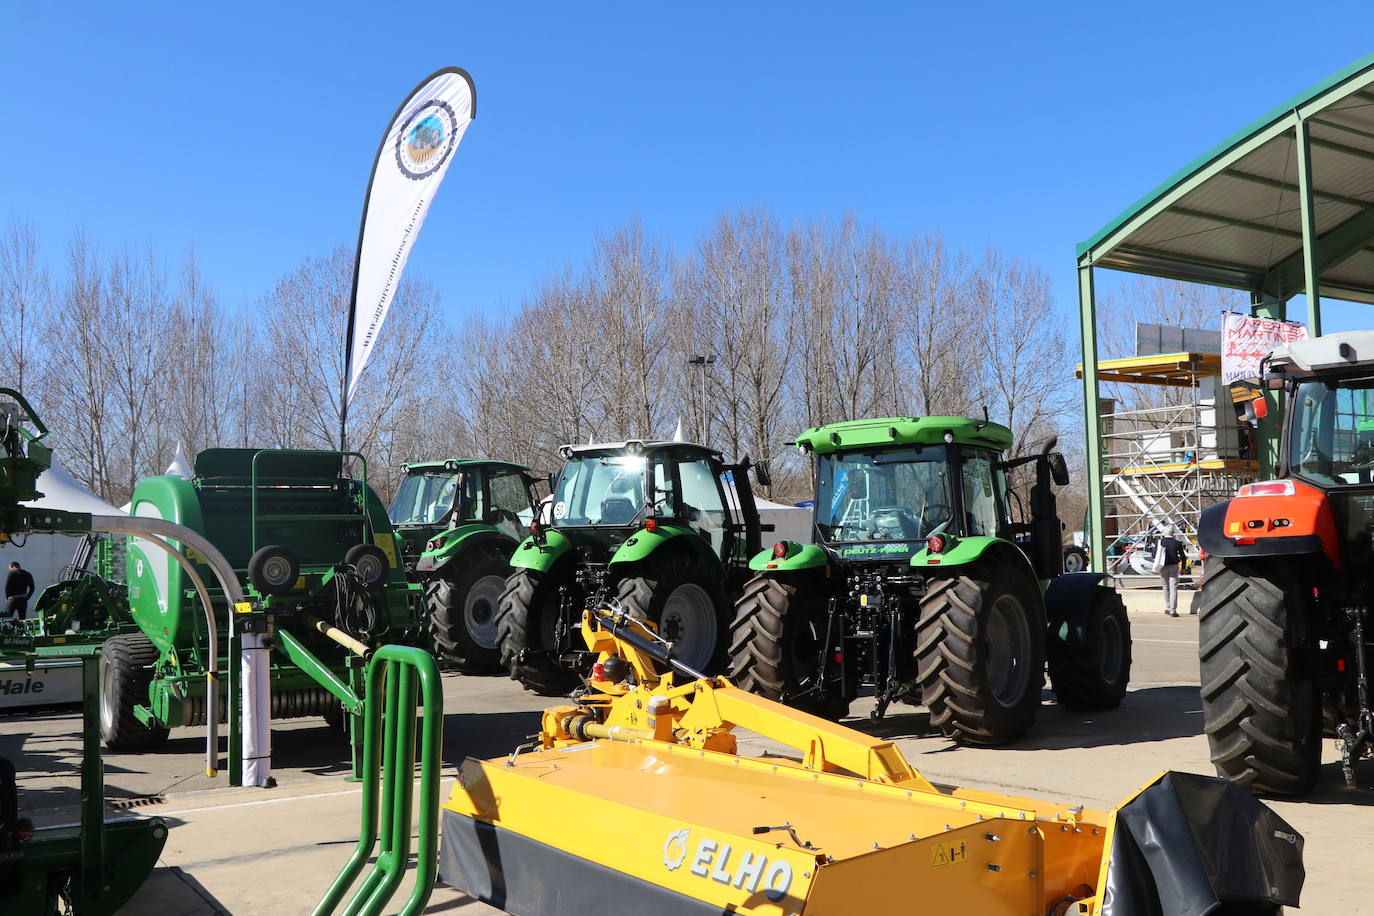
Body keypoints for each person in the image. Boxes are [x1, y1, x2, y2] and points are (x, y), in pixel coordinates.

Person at [1153, 527, 1185, 617]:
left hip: (1162, 566)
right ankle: (1173, 610)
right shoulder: (1177, 543)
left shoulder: (1160, 542)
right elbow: (1183, 556)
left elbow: (1154, 555)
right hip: (1174, 566)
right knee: (1173, 588)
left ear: (1164, 533)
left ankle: (1168, 606)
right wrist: (1183, 568)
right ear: (1173, 533)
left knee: (1165, 587)